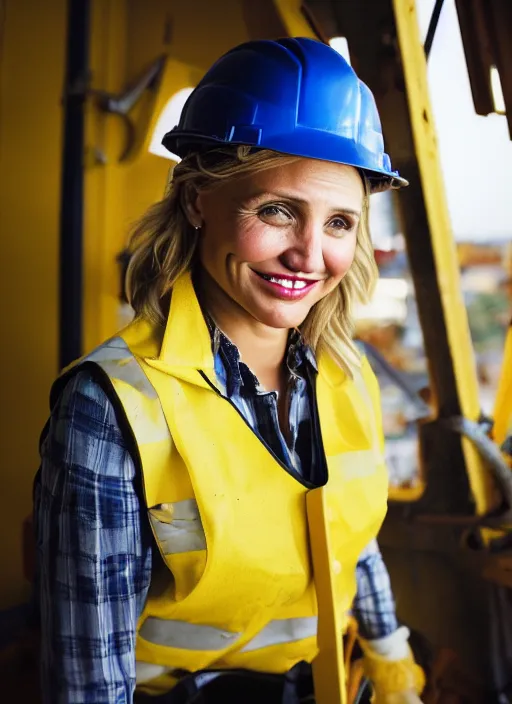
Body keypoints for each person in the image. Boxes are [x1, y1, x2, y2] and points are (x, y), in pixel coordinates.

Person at [34, 37, 425, 703]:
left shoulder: (346, 373)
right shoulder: (113, 406)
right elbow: (90, 678)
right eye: (277, 210)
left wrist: (391, 661)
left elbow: (350, 540)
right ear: (196, 202)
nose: (309, 254)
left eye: (338, 223)